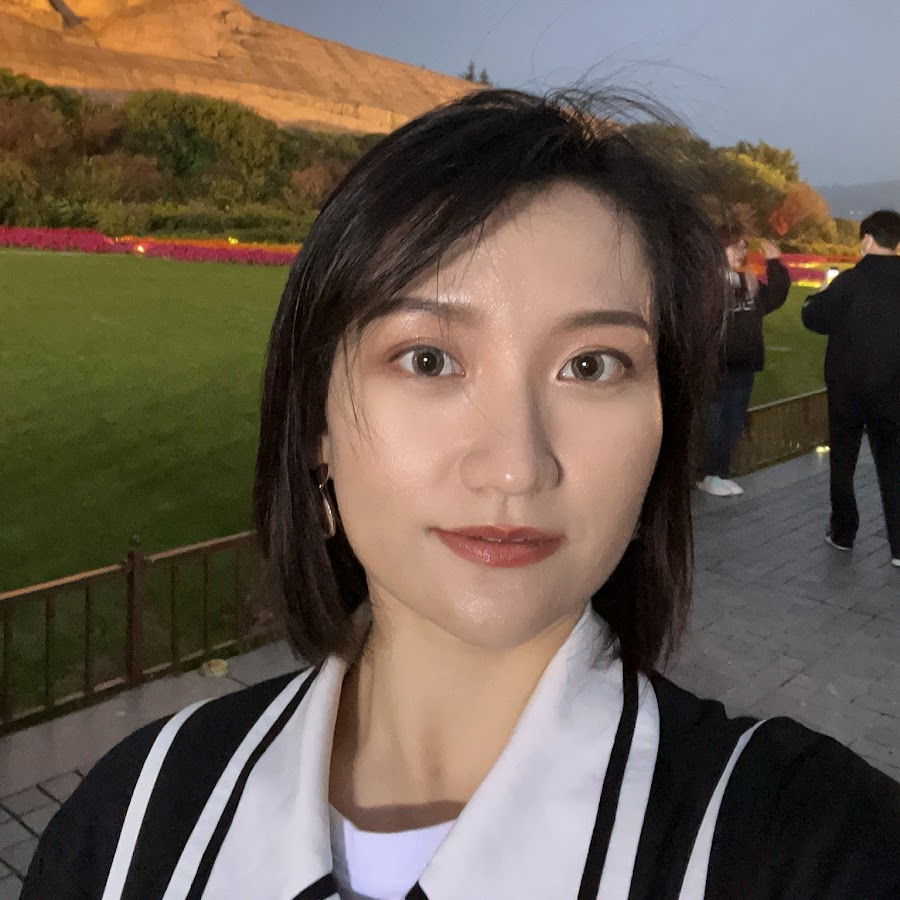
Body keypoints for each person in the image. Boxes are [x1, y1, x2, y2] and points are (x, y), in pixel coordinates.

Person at [23, 90, 900, 900]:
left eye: (591, 366)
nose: (515, 467)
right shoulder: (132, 827)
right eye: (429, 359)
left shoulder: (810, 847)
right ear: (316, 425)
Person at [802, 209, 900, 568]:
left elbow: (813, 317)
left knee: (843, 462)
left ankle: (843, 533)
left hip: (847, 391)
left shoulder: (850, 281)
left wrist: (816, 296)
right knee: (893, 465)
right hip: (893, 391)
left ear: (868, 240)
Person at [697, 224, 791, 497]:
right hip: (716, 366)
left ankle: (718, 471)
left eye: (744, 246)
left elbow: (775, 296)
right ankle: (707, 473)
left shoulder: (747, 281)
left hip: (744, 364)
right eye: (735, 245)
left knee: (734, 421)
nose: (741, 251)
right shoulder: (707, 283)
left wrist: (774, 263)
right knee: (714, 421)